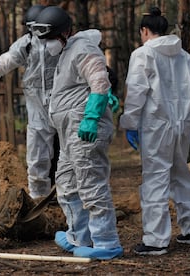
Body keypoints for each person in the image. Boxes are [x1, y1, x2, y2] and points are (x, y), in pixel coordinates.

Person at [31, 6, 123, 260]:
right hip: (69, 131)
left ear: (65, 33)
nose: (47, 44)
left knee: (90, 182)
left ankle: (105, 241)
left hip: (84, 129)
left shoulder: (83, 49)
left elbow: (100, 82)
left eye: (50, 38)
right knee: (67, 182)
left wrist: (92, 117)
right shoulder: (66, 52)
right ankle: (79, 235)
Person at [119, 7, 190, 255]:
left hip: (155, 126)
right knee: (181, 175)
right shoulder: (186, 58)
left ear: (144, 30)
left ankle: (155, 240)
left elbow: (136, 91)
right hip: (183, 126)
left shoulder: (143, 55)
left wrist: (129, 123)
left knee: (155, 179)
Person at [0, 4, 59, 199]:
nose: (36, 32)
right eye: (32, 28)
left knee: (68, 153)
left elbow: (83, 63)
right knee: (37, 153)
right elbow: (9, 59)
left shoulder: (61, 42)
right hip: (36, 104)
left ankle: (69, 199)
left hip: (62, 100)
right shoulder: (27, 44)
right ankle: (39, 198)